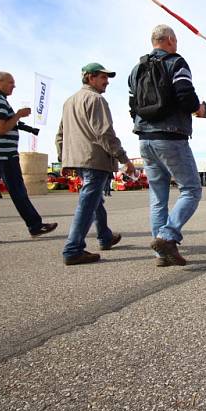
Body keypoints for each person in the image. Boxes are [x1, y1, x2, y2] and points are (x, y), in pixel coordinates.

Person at [129, 24, 205, 266]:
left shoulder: (136, 69)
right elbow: (186, 95)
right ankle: (167, 236)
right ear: (170, 40)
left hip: (144, 139)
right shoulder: (176, 62)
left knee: (158, 197)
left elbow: (132, 105)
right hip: (170, 137)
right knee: (191, 189)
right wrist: (199, 109)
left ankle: (162, 254)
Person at [56, 63, 135, 266]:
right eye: (103, 77)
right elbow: (104, 133)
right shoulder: (96, 99)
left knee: (95, 199)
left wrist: (63, 158)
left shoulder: (69, 101)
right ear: (90, 78)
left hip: (78, 159)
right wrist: (123, 158)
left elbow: (60, 135)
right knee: (88, 203)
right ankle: (73, 249)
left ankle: (105, 236)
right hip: (94, 159)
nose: (107, 81)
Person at [0, 72, 57, 245]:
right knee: (17, 191)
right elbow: (1, 128)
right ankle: (35, 225)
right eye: (10, 83)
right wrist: (17, 115)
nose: (13, 86)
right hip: (3, 153)